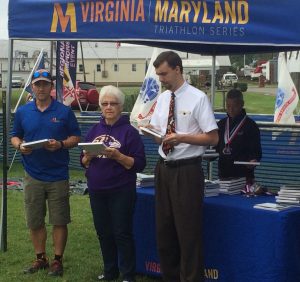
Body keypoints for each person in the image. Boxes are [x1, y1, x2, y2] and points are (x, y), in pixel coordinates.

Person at [143, 51, 219, 282]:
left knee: (187, 232)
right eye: (158, 75)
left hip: (187, 170)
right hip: (164, 168)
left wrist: (182, 137)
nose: (161, 79)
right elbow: (159, 136)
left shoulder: (198, 98)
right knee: (164, 231)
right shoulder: (164, 99)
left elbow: (213, 138)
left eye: (164, 73)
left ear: (178, 69)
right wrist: (148, 130)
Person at [11, 69, 81, 276]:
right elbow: (15, 136)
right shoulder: (23, 112)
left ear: (52, 87)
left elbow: (75, 137)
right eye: (37, 84)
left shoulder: (63, 111)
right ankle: (40, 258)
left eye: (45, 84)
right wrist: (20, 146)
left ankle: (57, 260)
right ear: (32, 87)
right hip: (32, 174)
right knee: (35, 220)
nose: (41, 88)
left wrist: (60, 144)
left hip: (58, 174)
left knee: (59, 219)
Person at [81, 85, 146, 282]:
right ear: (100, 106)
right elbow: (82, 162)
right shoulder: (93, 130)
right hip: (97, 190)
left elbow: (140, 164)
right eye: (105, 103)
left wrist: (118, 156)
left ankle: (127, 274)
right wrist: (87, 158)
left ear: (121, 106)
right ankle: (110, 272)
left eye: (113, 103)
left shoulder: (130, 132)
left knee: (121, 233)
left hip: (121, 190)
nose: (109, 107)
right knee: (103, 233)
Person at [215, 89, 262, 184]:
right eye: (228, 106)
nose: (231, 109)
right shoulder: (221, 124)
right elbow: (215, 148)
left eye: (235, 106)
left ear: (242, 104)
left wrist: (253, 161)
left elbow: (256, 151)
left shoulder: (250, 125)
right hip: (224, 177)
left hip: (244, 177)